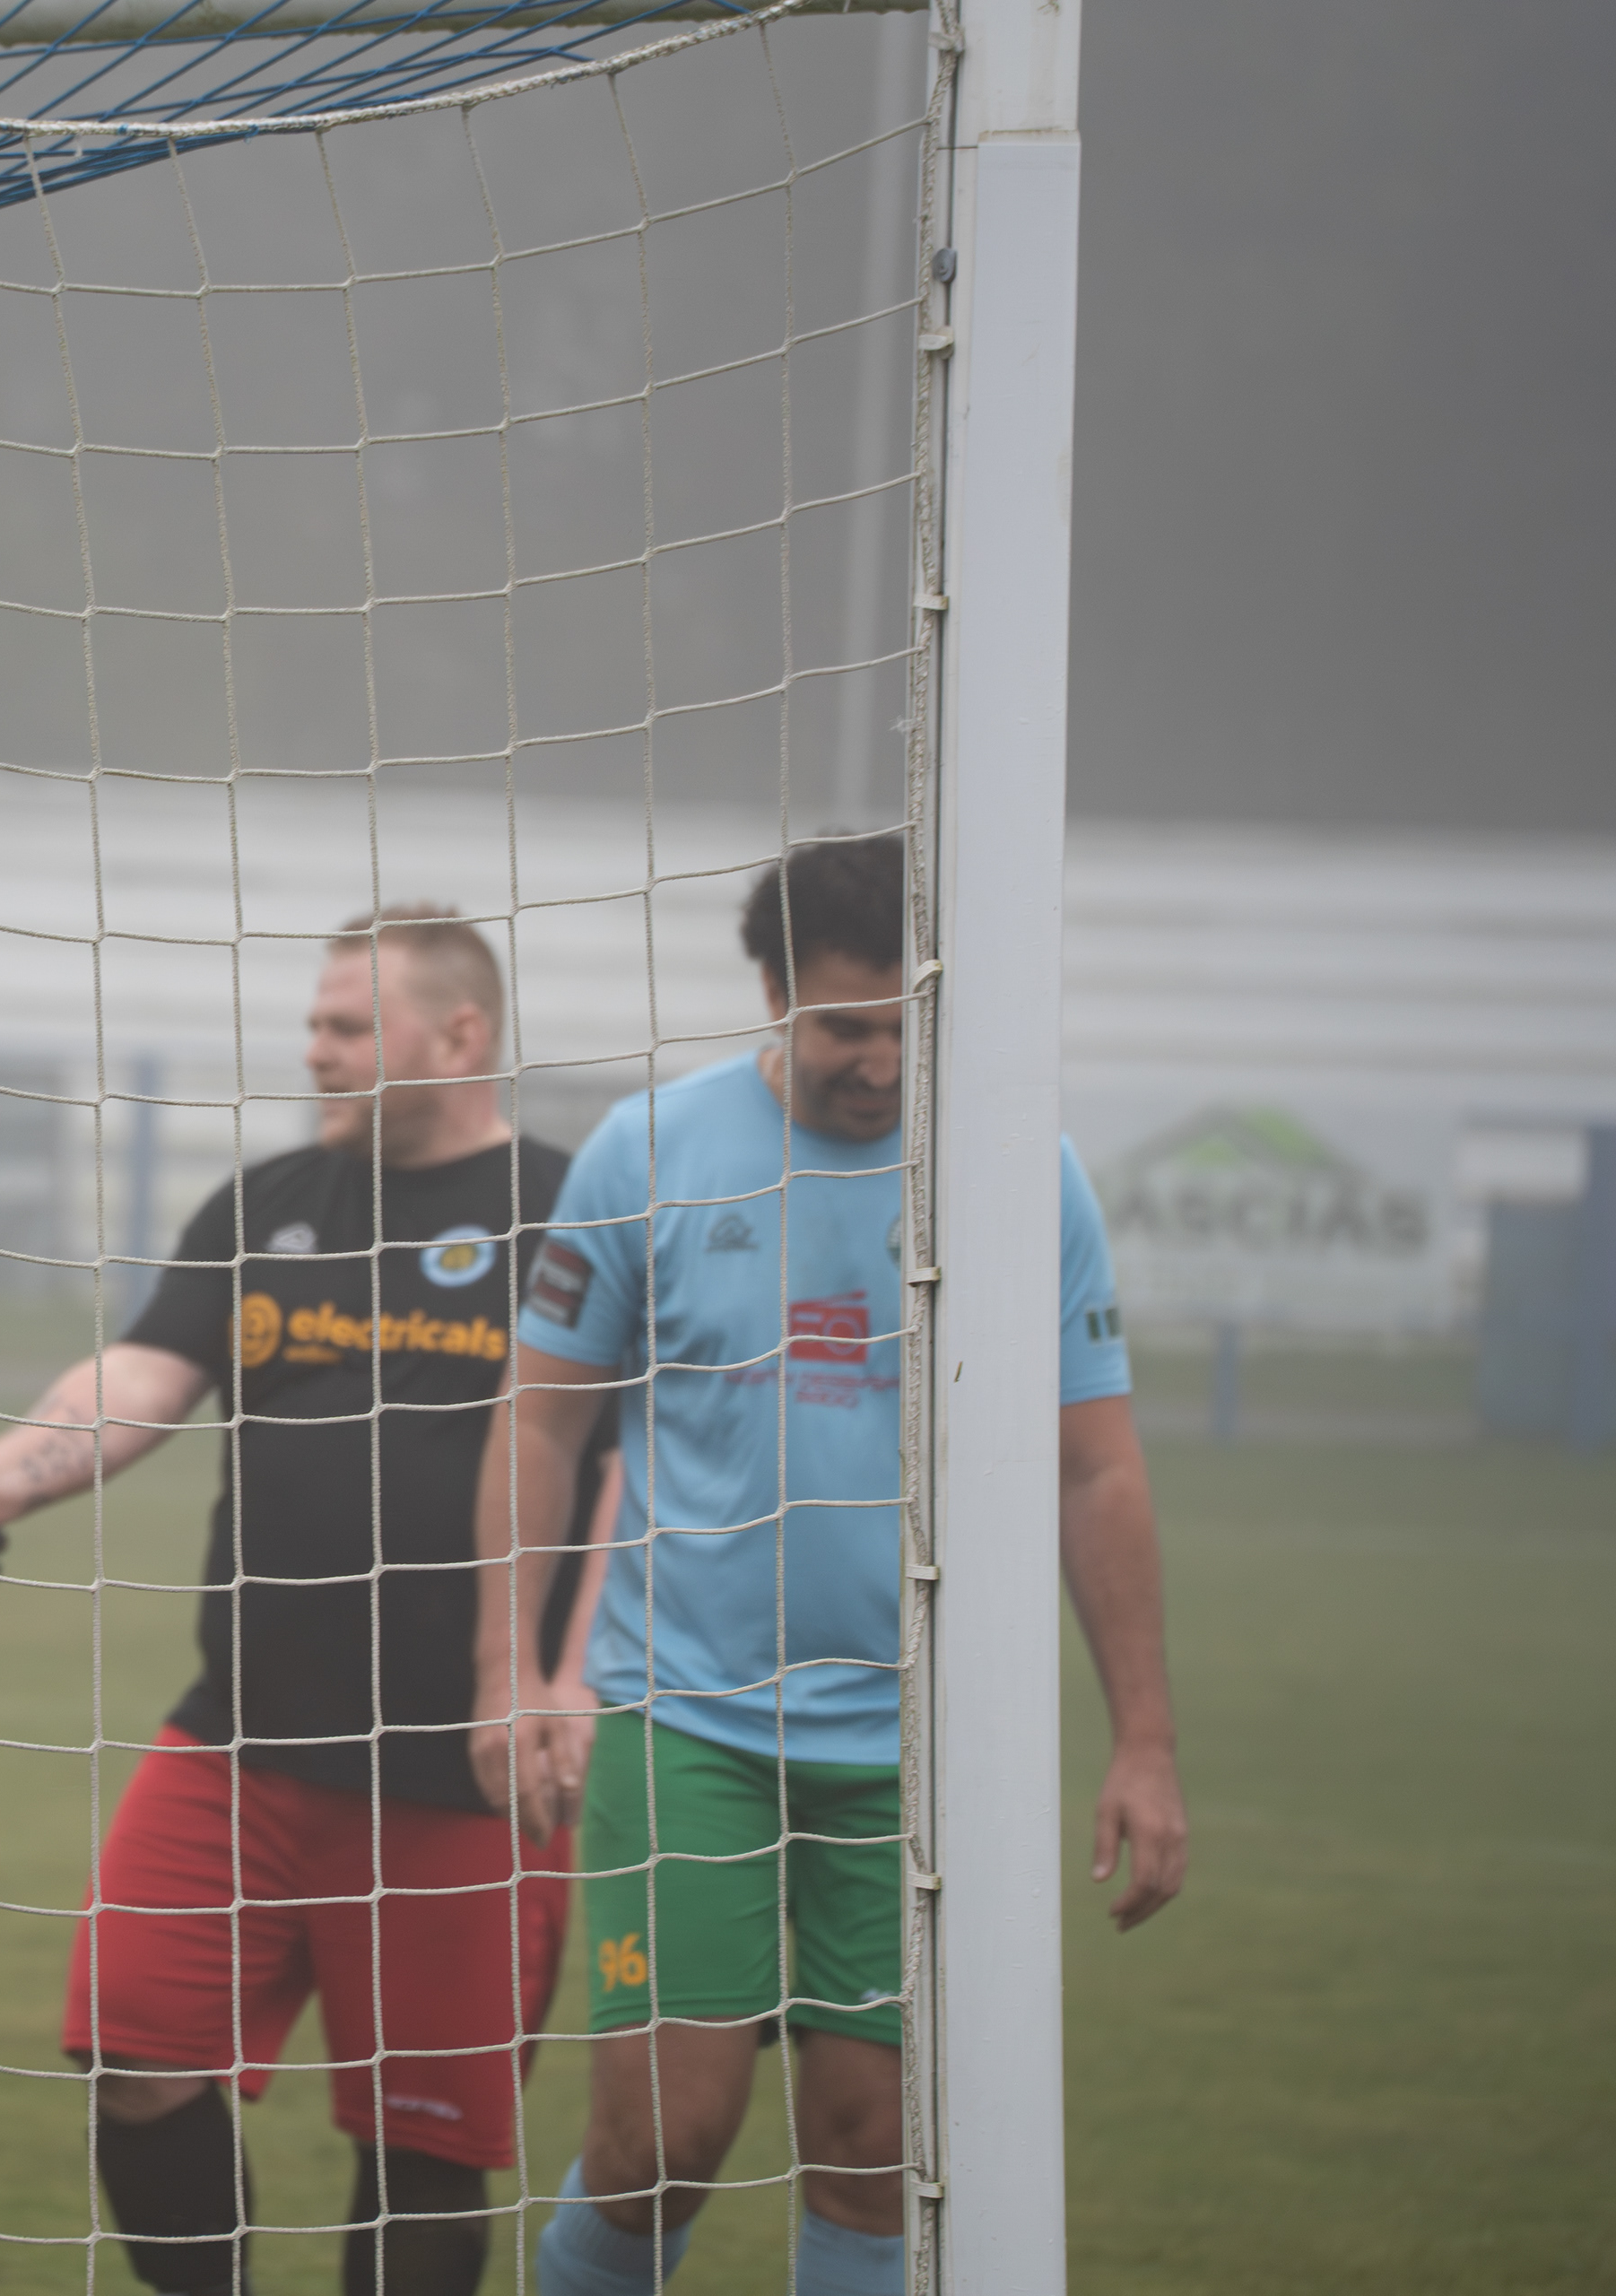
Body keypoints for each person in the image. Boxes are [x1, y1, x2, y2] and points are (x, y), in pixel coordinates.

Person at [469, 831, 1188, 2296]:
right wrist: (513, 1669)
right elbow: (540, 1420)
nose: (881, 1061)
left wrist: (1146, 1742)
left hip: (914, 1748)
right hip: (684, 1718)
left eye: (908, 1023)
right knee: (664, 2140)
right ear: (772, 997)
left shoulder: (1020, 1173)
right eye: (845, 1026)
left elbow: (1095, 1466)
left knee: (872, 2150)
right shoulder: (649, 1152)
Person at [0, 906, 619, 2296]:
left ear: (462, 1036)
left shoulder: (572, 1211)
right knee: (131, 2050)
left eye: (349, 1027)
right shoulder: (265, 1206)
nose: (315, 1052)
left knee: (424, 2151)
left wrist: (574, 1676)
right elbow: (139, 1379)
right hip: (242, 1741)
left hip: (463, 1768)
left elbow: (640, 1457)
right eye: (315, 1024)